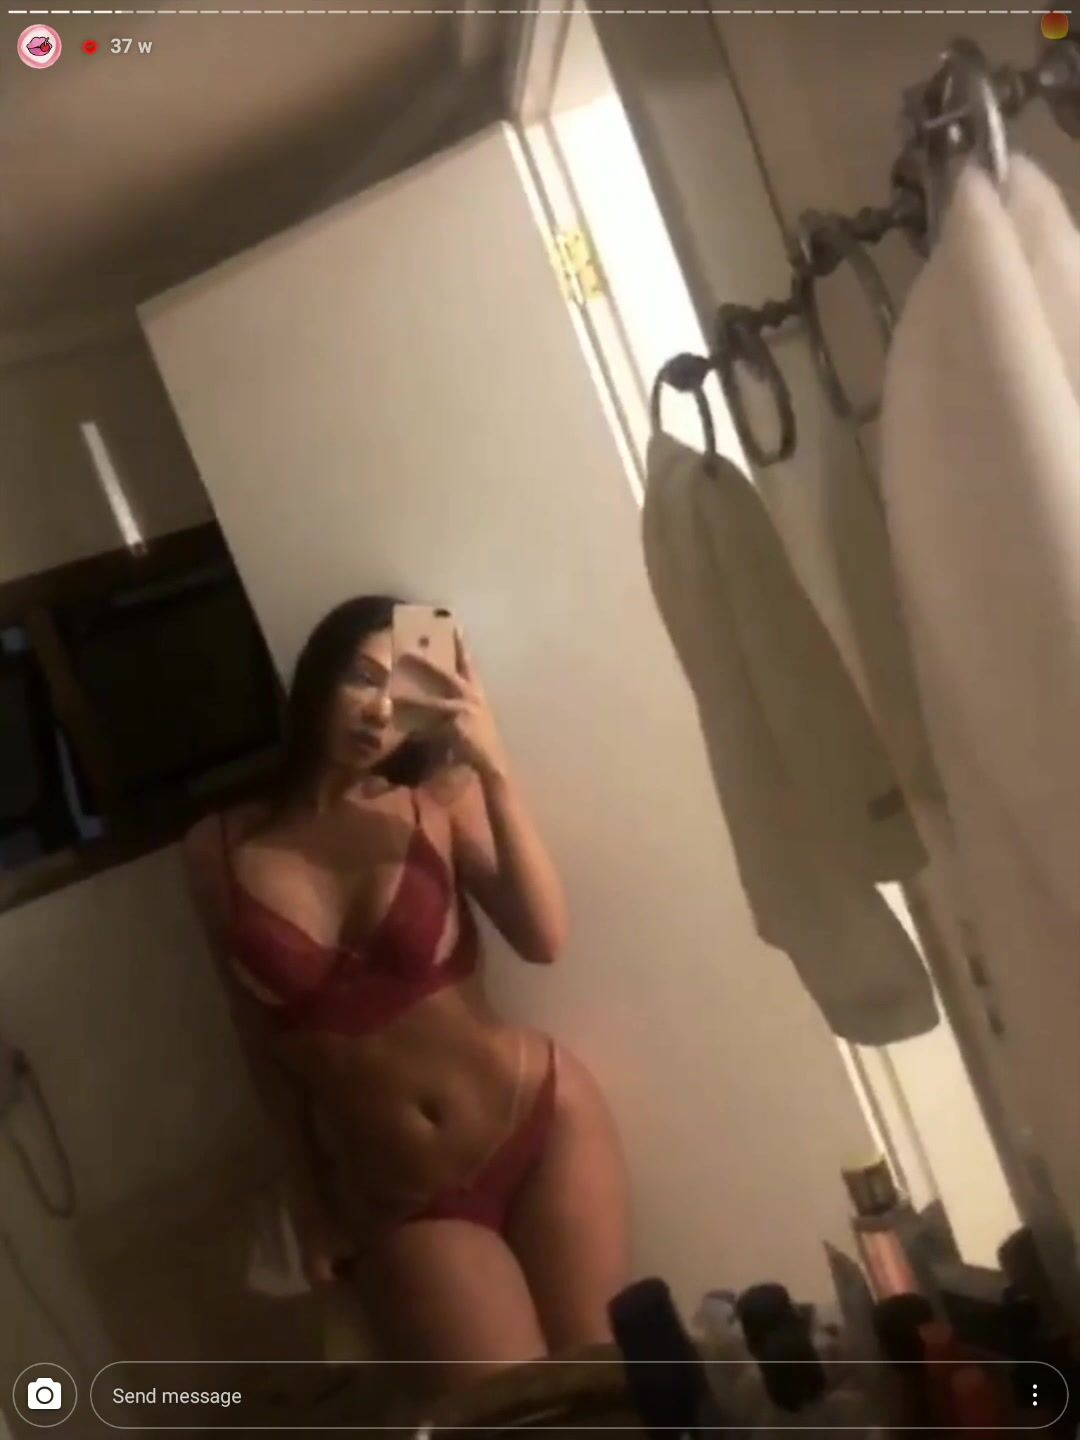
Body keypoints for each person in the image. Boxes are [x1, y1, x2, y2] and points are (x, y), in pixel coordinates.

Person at [182, 595, 629, 1395]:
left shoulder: (436, 801)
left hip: (541, 1121)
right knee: (519, 1418)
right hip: (403, 1196)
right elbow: (257, 1042)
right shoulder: (218, 850)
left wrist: (493, 767)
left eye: (405, 692)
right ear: (316, 678)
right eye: (361, 677)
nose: (379, 710)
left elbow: (544, 937)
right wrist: (311, 1204)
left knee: (606, 1388)